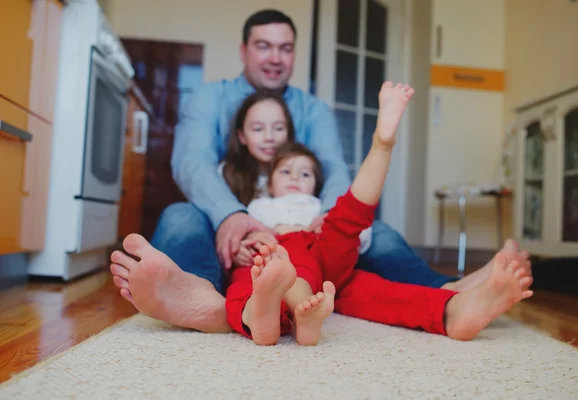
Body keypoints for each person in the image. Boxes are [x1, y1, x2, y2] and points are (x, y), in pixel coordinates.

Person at [109, 9, 530, 334]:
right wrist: (232, 216)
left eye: (285, 48)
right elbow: (191, 163)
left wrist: (325, 221)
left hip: (304, 236)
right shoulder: (210, 98)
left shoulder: (312, 109)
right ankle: (196, 296)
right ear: (243, 51)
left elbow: (333, 168)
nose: (275, 58)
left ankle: (445, 293)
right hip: (229, 224)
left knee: (374, 233)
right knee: (180, 217)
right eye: (264, 46)